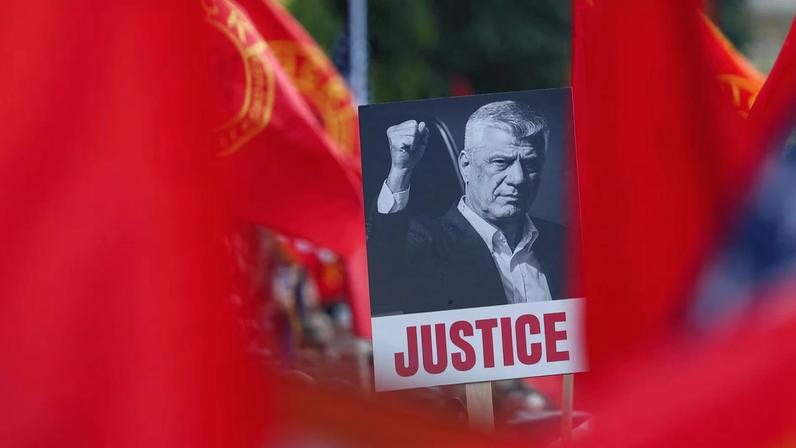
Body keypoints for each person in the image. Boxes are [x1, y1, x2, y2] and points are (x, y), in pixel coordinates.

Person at [366, 100, 565, 315]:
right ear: (466, 165)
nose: (518, 179)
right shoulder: (424, 241)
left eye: (531, 164)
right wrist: (400, 172)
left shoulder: (566, 242)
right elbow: (380, 273)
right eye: (501, 162)